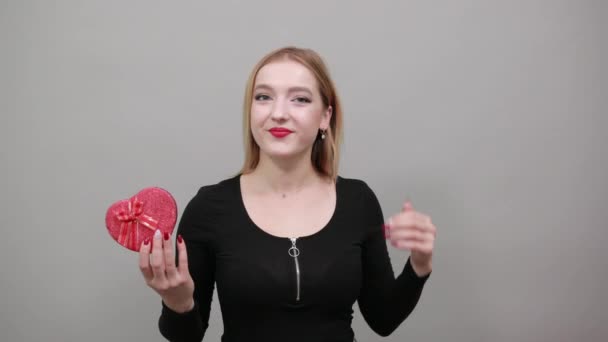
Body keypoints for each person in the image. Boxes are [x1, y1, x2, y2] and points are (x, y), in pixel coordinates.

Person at [138, 46, 437, 342]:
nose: (278, 113)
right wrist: (177, 302)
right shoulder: (210, 208)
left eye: (300, 99)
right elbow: (187, 336)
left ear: (325, 116)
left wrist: (419, 265)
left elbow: (383, 319)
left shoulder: (358, 201)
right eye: (263, 97)